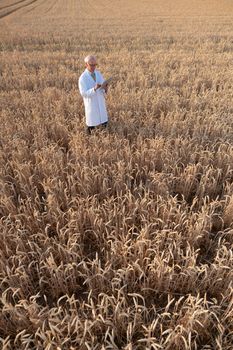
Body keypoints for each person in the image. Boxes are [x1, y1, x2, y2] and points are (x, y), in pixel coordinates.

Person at [78, 55, 109, 134]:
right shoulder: (83, 78)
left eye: (95, 64)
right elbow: (83, 93)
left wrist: (105, 88)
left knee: (103, 122)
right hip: (91, 104)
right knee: (91, 125)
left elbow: (102, 85)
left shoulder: (98, 73)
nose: (93, 67)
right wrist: (94, 89)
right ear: (86, 64)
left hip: (100, 101)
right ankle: (88, 139)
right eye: (91, 65)